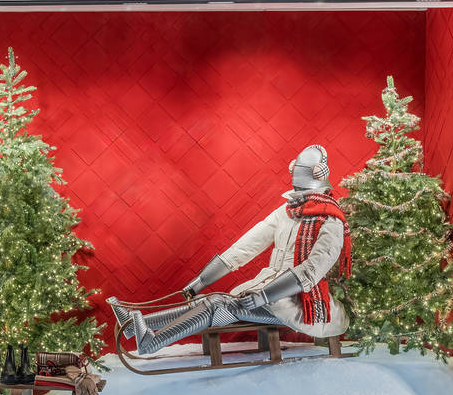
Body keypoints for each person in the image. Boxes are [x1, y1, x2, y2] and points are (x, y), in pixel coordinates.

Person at [109, 145, 351, 355]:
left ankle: (151, 342)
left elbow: (311, 271)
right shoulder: (287, 211)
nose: (298, 196)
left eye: (303, 190)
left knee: (216, 305)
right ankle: (132, 326)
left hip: (298, 304)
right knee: (210, 299)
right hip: (267, 291)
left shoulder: (331, 221)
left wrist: (264, 296)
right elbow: (245, 246)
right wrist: (201, 281)